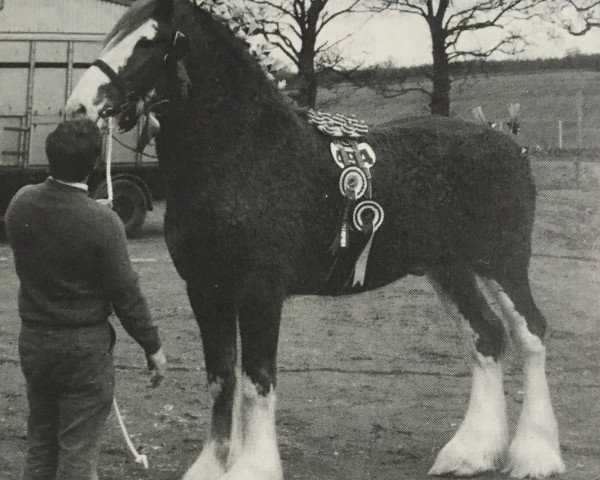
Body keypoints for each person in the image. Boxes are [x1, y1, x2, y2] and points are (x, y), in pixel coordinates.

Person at [4, 118, 167, 480]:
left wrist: (92, 210)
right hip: (83, 350)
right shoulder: (103, 222)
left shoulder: (20, 203)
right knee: (76, 456)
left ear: (49, 156)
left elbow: (57, 225)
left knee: (41, 446)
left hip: (35, 343)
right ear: (95, 164)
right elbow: (126, 294)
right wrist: (152, 346)